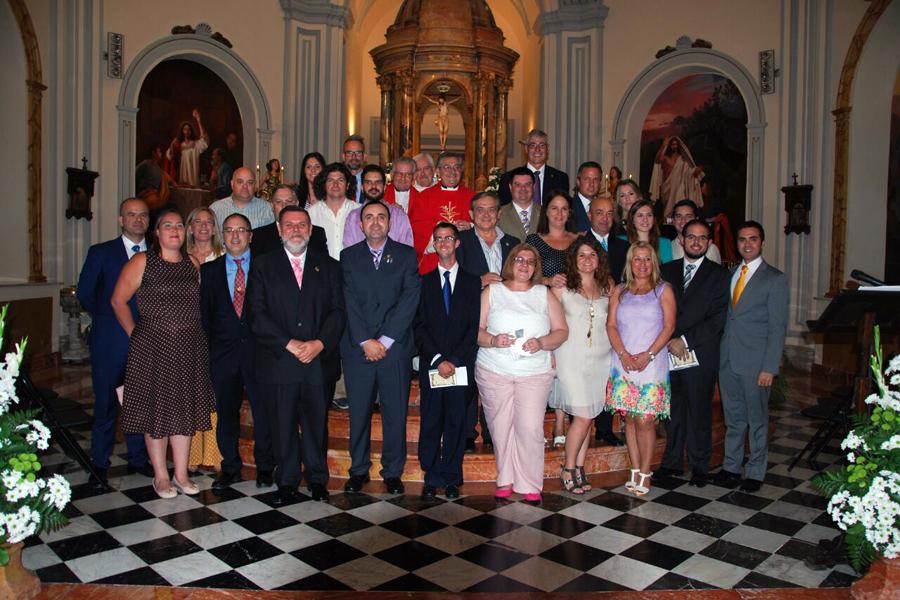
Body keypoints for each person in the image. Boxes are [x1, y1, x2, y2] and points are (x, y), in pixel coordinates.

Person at [111, 208, 216, 499]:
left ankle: (181, 474)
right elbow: (118, 301)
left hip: (189, 347)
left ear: (186, 232)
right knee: (155, 412)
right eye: (167, 225)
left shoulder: (193, 263)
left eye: (180, 225)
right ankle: (160, 476)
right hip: (152, 348)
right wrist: (136, 334)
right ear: (156, 232)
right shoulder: (143, 261)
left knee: (183, 410)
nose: (174, 230)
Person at [248, 205, 345, 503]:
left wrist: (319, 343)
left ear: (311, 230)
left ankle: (317, 480)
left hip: (317, 362)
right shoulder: (263, 265)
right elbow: (256, 314)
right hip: (279, 361)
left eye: (302, 225)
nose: (295, 230)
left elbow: (338, 312)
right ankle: (287, 481)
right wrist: (288, 343)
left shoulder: (328, 265)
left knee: (317, 423)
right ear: (278, 230)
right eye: (289, 225)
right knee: (282, 424)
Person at [475, 244, 568, 504]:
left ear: (536, 266)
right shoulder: (492, 291)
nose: (524, 265)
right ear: (510, 263)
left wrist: (542, 343)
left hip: (534, 371)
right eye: (519, 259)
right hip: (494, 369)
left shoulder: (544, 293)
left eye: (530, 261)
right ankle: (505, 479)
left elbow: (561, 331)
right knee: (501, 427)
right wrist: (493, 340)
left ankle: (529, 482)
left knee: (529, 427)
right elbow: (475, 330)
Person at [341, 201, 420, 494]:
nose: (375, 222)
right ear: (360, 225)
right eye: (369, 218)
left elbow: (410, 299)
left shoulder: (406, 255)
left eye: (381, 217)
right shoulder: (347, 257)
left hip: (394, 349)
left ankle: (392, 471)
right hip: (358, 349)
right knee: (358, 412)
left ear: (390, 222)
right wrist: (365, 340)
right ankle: (358, 469)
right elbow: (347, 299)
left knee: (395, 411)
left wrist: (385, 340)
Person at [76, 198, 153, 490]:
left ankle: (138, 458)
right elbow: (85, 293)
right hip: (110, 341)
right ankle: (99, 463)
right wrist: (110, 320)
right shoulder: (102, 252)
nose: (137, 220)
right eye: (131, 215)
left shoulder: (158, 255)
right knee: (106, 403)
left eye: (143, 215)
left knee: (139, 402)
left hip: (148, 340)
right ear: (121, 220)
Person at [201, 213, 276, 490]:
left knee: (264, 412)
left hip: (260, 353)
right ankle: (230, 466)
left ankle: (266, 467)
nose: (235, 236)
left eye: (241, 230)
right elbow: (205, 318)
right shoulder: (210, 272)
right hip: (224, 356)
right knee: (227, 413)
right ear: (222, 235)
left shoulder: (266, 267)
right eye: (229, 231)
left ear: (251, 235)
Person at [714, 220, 788, 493]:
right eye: (743, 239)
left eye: (753, 239)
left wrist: (770, 367)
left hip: (756, 364)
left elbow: (777, 327)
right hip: (729, 360)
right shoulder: (732, 273)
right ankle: (731, 467)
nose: (747, 244)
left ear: (761, 242)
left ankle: (755, 471)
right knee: (733, 418)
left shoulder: (775, 279)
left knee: (757, 419)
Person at [657, 219, 729, 487]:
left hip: (700, 352)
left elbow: (718, 318)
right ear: (682, 240)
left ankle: (700, 466)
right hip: (668, 352)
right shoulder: (667, 270)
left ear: (709, 242)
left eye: (702, 237)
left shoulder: (720, 275)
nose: (696, 242)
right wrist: (669, 339)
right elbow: (657, 310)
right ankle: (672, 462)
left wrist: (684, 340)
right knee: (673, 410)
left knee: (699, 412)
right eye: (691, 237)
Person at [415, 222, 480, 499]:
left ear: (457, 243)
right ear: (434, 244)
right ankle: (431, 474)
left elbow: (473, 327)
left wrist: (453, 359)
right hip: (433, 364)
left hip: (460, 365)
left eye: (448, 238)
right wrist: (439, 358)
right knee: (431, 420)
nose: (443, 243)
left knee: (456, 421)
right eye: (438, 238)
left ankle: (452, 476)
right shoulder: (424, 282)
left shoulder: (472, 281)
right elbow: (419, 326)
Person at [605, 242, 675, 496]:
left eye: (647, 259)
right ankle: (634, 469)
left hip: (652, 363)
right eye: (637, 259)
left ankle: (646, 472)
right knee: (630, 419)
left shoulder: (663, 290)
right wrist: (623, 353)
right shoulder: (620, 291)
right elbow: (611, 325)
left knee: (646, 420)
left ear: (654, 262)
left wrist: (649, 354)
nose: (642, 264)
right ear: (630, 262)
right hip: (623, 362)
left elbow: (669, 327)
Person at [456, 191, 519, 450]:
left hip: (505, 318)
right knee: (469, 375)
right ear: (471, 215)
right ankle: (469, 432)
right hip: (470, 316)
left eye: (491, 209)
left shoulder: (513, 243)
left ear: (499, 213)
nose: (485, 214)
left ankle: (495, 430)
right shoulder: (460, 241)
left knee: (498, 378)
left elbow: (523, 275)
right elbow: (450, 278)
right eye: (479, 210)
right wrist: (478, 282)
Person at [553, 236, 615, 493]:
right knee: (581, 416)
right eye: (582, 255)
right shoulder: (561, 287)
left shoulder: (607, 287)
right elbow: (551, 322)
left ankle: (580, 467)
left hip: (601, 358)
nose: (587, 260)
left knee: (590, 416)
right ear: (573, 259)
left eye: (592, 255)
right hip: (571, 358)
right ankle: (568, 468)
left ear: (599, 259)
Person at [525, 191, 580, 448]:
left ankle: (561, 421)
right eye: (554, 208)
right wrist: (548, 280)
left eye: (564, 209)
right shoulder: (534, 240)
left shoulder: (580, 240)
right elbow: (523, 273)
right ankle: (539, 424)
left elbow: (591, 270)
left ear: (570, 213)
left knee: (568, 367)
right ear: (546, 212)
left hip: (575, 310)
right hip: (543, 310)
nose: (559, 213)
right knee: (549, 366)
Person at [586, 196, 629, 447]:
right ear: (590, 215)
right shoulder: (579, 243)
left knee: (606, 372)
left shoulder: (623, 247)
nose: (604, 218)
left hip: (614, 317)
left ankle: (604, 427)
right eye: (599, 213)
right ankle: (582, 421)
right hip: (587, 316)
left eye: (609, 213)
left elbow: (629, 280)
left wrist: (618, 288)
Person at [185, 207, 224, 472]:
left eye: (208, 222)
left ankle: (213, 454)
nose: (203, 226)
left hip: (217, 332)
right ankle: (189, 455)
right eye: (197, 222)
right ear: (189, 227)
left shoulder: (222, 256)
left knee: (214, 391)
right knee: (189, 392)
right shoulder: (178, 256)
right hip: (186, 331)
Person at [409, 151, 474, 274]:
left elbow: (484, 224)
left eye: (456, 167)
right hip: (433, 260)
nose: (452, 172)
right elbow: (416, 226)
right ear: (438, 171)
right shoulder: (423, 197)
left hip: (464, 258)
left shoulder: (472, 197)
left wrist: (470, 226)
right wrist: (443, 227)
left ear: (461, 171)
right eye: (447, 167)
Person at [342, 165, 413, 248]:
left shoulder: (399, 216)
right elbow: (349, 253)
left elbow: (407, 252)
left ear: (384, 187)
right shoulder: (353, 217)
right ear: (361, 187)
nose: (373, 186)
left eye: (378, 182)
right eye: (368, 182)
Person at [250, 185, 328, 256]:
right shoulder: (258, 236)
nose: (284, 206)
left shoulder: (316, 234)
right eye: (278, 202)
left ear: (297, 203)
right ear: (272, 205)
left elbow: (324, 265)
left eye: (288, 201)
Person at [498, 129, 570, 206]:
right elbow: (504, 210)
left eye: (542, 145)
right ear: (526, 149)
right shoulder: (508, 178)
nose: (537, 149)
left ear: (547, 149)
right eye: (533, 145)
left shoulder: (561, 178)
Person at [308, 163, 358, 260]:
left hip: (352, 270)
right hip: (321, 270)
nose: (335, 184)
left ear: (347, 185)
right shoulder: (311, 213)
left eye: (340, 180)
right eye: (330, 180)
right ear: (324, 185)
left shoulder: (359, 211)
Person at [650, 135, 704, 218]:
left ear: (679, 145)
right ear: (669, 145)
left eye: (675, 144)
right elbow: (657, 160)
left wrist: (695, 172)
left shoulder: (683, 159)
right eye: (672, 144)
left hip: (679, 188)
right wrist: (663, 145)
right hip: (668, 188)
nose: (674, 146)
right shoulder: (665, 157)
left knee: (679, 207)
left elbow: (688, 172)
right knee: (668, 211)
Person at [209, 167, 276, 232]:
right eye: (240, 182)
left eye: (250, 182)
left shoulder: (267, 209)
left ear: (255, 185)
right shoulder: (216, 209)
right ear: (232, 184)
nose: (245, 186)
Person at [167, 109, 209, 187]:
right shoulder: (179, 145)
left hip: (193, 178)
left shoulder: (195, 144)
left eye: (189, 129)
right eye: (185, 129)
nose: (187, 131)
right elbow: (170, 157)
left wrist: (198, 120)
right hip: (181, 177)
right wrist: (172, 144)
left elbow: (204, 140)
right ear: (182, 131)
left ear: (191, 131)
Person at [624, 199, 674, 264]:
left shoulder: (665, 243)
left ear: (653, 219)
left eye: (649, 215)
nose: (645, 219)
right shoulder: (621, 241)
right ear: (632, 220)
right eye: (640, 215)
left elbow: (668, 270)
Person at [498, 167, 539, 241]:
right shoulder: (498, 214)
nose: (523, 188)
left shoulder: (545, 213)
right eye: (517, 185)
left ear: (534, 186)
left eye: (527, 184)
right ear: (510, 187)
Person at [572, 162, 602, 232]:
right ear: (578, 182)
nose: (591, 184)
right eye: (587, 179)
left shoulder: (605, 207)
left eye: (595, 179)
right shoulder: (568, 206)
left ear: (600, 184)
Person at [342, 135, 367, 202]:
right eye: (349, 153)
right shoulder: (335, 182)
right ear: (343, 157)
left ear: (364, 157)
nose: (354, 157)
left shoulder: (371, 181)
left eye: (358, 153)